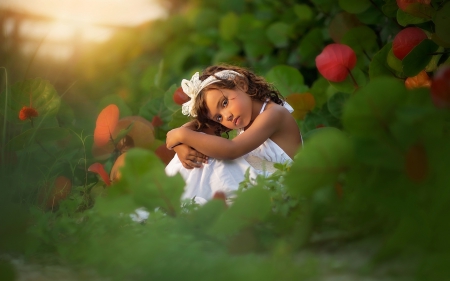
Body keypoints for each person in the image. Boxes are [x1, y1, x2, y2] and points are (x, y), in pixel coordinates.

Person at [165, 64, 302, 204]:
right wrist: (180, 144)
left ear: (242, 84)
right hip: (257, 181)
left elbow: (232, 150)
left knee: (211, 162)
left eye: (224, 103)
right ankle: (169, 203)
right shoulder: (243, 117)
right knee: (199, 155)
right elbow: (198, 129)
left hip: (276, 185)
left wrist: (182, 135)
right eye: (218, 117)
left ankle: (167, 204)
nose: (226, 116)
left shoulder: (274, 114)